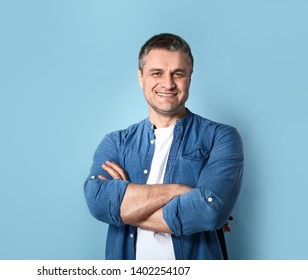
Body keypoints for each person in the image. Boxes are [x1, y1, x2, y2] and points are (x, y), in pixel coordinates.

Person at [83, 33, 244, 260]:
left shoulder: (221, 137)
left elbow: (209, 212)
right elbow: (98, 202)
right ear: (141, 77)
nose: (168, 84)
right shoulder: (116, 143)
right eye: (156, 73)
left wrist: (124, 208)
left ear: (190, 77)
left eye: (178, 74)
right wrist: (177, 191)